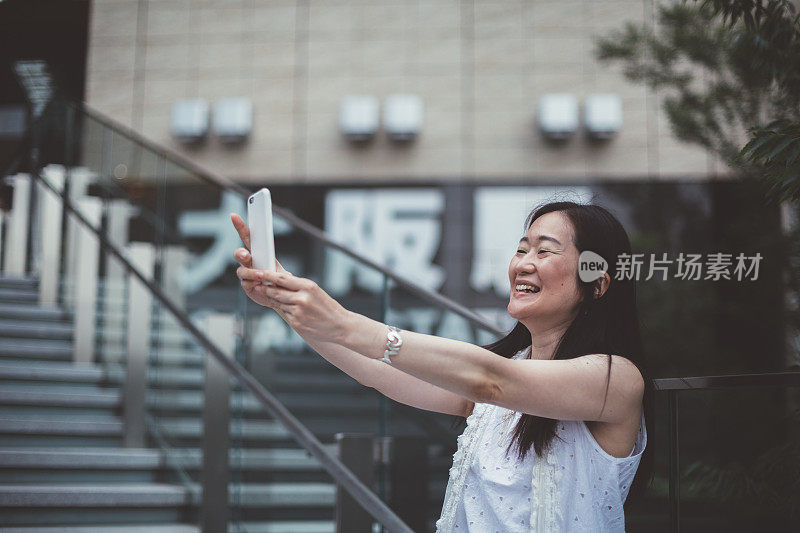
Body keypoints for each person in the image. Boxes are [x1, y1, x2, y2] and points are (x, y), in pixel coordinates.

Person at [231, 200, 652, 532]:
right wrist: (287, 304)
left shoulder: (616, 379)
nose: (523, 263)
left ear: (597, 283)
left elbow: (492, 380)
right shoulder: (501, 375)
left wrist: (342, 320)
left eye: (544, 251)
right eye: (522, 248)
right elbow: (376, 369)